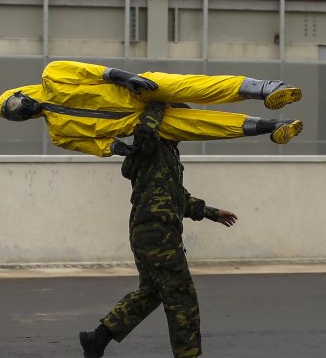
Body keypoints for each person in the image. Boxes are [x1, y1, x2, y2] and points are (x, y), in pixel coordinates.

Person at [79, 102, 236, 358]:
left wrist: (212, 213)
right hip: (157, 229)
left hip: (148, 230)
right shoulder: (151, 148)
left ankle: (98, 338)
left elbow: (178, 198)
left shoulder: (167, 157)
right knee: (181, 294)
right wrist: (158, 104)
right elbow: (146, 131)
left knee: (152, 293)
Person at [0, 60, 303, 157]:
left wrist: (123, 76)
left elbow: (92, 71)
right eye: (22, 115)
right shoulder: (59, 134)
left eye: (22, 105)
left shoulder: (53, 74)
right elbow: (95, 144)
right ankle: (273, 127)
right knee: (201, 126)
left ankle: (267, 88)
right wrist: (118, 149)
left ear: (21, 93)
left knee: (192, 87)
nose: (28, 111)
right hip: (143, 122)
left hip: (136, 92)